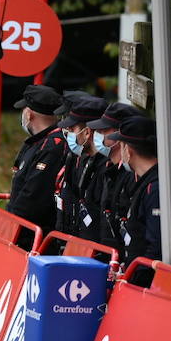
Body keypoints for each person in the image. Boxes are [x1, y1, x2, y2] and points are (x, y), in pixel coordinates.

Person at [103, 115, 171, 269]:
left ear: (128, 150)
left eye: (121, 144)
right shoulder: (146, 183)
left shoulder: (157, 188)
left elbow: (157, 247)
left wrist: (133, 277)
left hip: (151, 283)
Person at [5, 84, 66, 239]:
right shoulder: (36, 142)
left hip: (32, 235)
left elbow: (33, 196)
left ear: (29, 114)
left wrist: (9, 228)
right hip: (22, 229)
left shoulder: (53, 146)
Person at [86, 102, 141, 251]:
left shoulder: (133, 175)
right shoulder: (108, 168)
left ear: (120, 135)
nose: (97, 135)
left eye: (103, 130)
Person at [53, 93, 108, 240]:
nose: (67, 134)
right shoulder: (83, 159)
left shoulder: (105, 168)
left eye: (72, 129)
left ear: (87, 132)